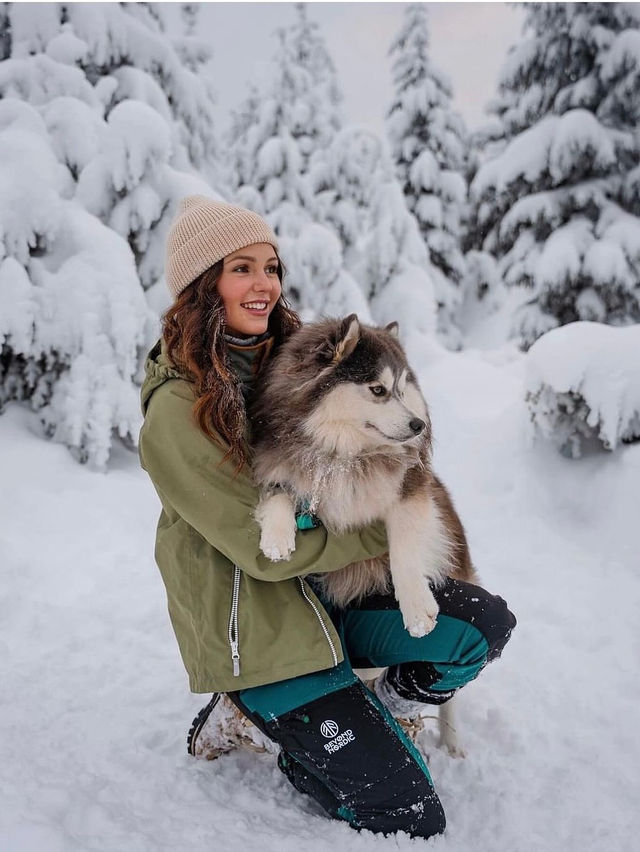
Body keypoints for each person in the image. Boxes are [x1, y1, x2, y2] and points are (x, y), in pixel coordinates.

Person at [139, 196, 516, 840]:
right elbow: (261, 551)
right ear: (203, 287)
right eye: (241, 268)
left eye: (271, 266)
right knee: (407, 813)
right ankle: (255, 719)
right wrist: (381, 524)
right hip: (265, 642)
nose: (264, 284)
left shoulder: (294, 359)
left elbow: (391, 424)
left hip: (335, 605)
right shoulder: (178, 410)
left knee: (478, 624)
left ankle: (387, 705)